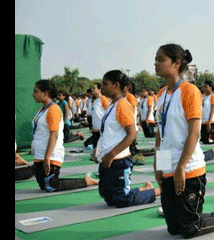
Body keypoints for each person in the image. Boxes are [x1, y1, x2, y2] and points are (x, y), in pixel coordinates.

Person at [153, 44, 214, 238]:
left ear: (176, 63)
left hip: (188, 169)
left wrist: (181, 167)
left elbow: (193, 133)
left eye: (161, 59)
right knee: (174, 228)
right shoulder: (161, 94)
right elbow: (161, 133)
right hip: (168, 167)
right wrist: (159, 164)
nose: (156, 63)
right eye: (156, 59)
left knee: (189, 229)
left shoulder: (189, 91)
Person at [96, 70, 159, 208]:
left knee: (122, 200)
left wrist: (112, 154)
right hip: (107, 158)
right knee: (108, 197)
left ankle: (157, 192)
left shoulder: (122, 105)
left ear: (115, 85)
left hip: (118, 160)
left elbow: (131, 134)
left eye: (105, 84)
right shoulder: (112, 105)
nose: (102, 87)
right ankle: (144, 189)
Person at [29, 80, 97, 191]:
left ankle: (85, 181)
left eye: (36, 91)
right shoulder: (42, 110)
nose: (33, 94)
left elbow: (54, 134)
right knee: (43, 185)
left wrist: (47, 157)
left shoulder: (53, 109)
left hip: (51, 154)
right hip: (40, 153)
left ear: (45, 93)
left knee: (50, 186)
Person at [83, 83, 109, 150]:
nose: (92, 89)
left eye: (94, 88)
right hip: (95, 129)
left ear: (99, 90)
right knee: (96, 150)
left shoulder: (103, 99)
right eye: (92, 88)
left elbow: (108, 112)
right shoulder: (94, 101)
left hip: (101, 129)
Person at [200, 80, 214, 144]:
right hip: (203, 121)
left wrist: (209, 122)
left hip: (210, 121)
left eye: (206, 87)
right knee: (203, 141)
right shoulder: (204, 97)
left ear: (211, 87)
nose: (204, 88)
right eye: (204, 87)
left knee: (210, 141)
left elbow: (212, 110)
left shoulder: (212, 96)